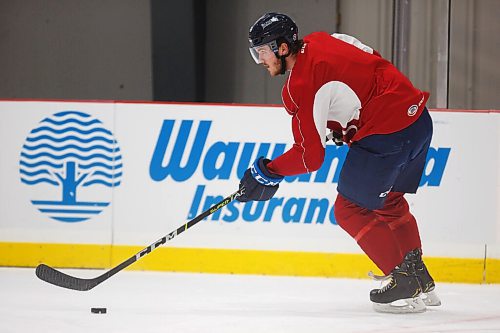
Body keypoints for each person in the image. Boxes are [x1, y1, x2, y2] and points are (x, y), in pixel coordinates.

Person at [237, 12, 441, 313]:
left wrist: (268, 172)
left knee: (348, 210)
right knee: (390, 202)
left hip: (388, 134)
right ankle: (419, 277)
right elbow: (372, 62)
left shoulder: (300, 84)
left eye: (263, 52)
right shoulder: (324, 39)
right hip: (418, 120)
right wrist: (347, 122)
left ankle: (404, 282)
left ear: (282, 48)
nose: (260, 60)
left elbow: (310, 156)